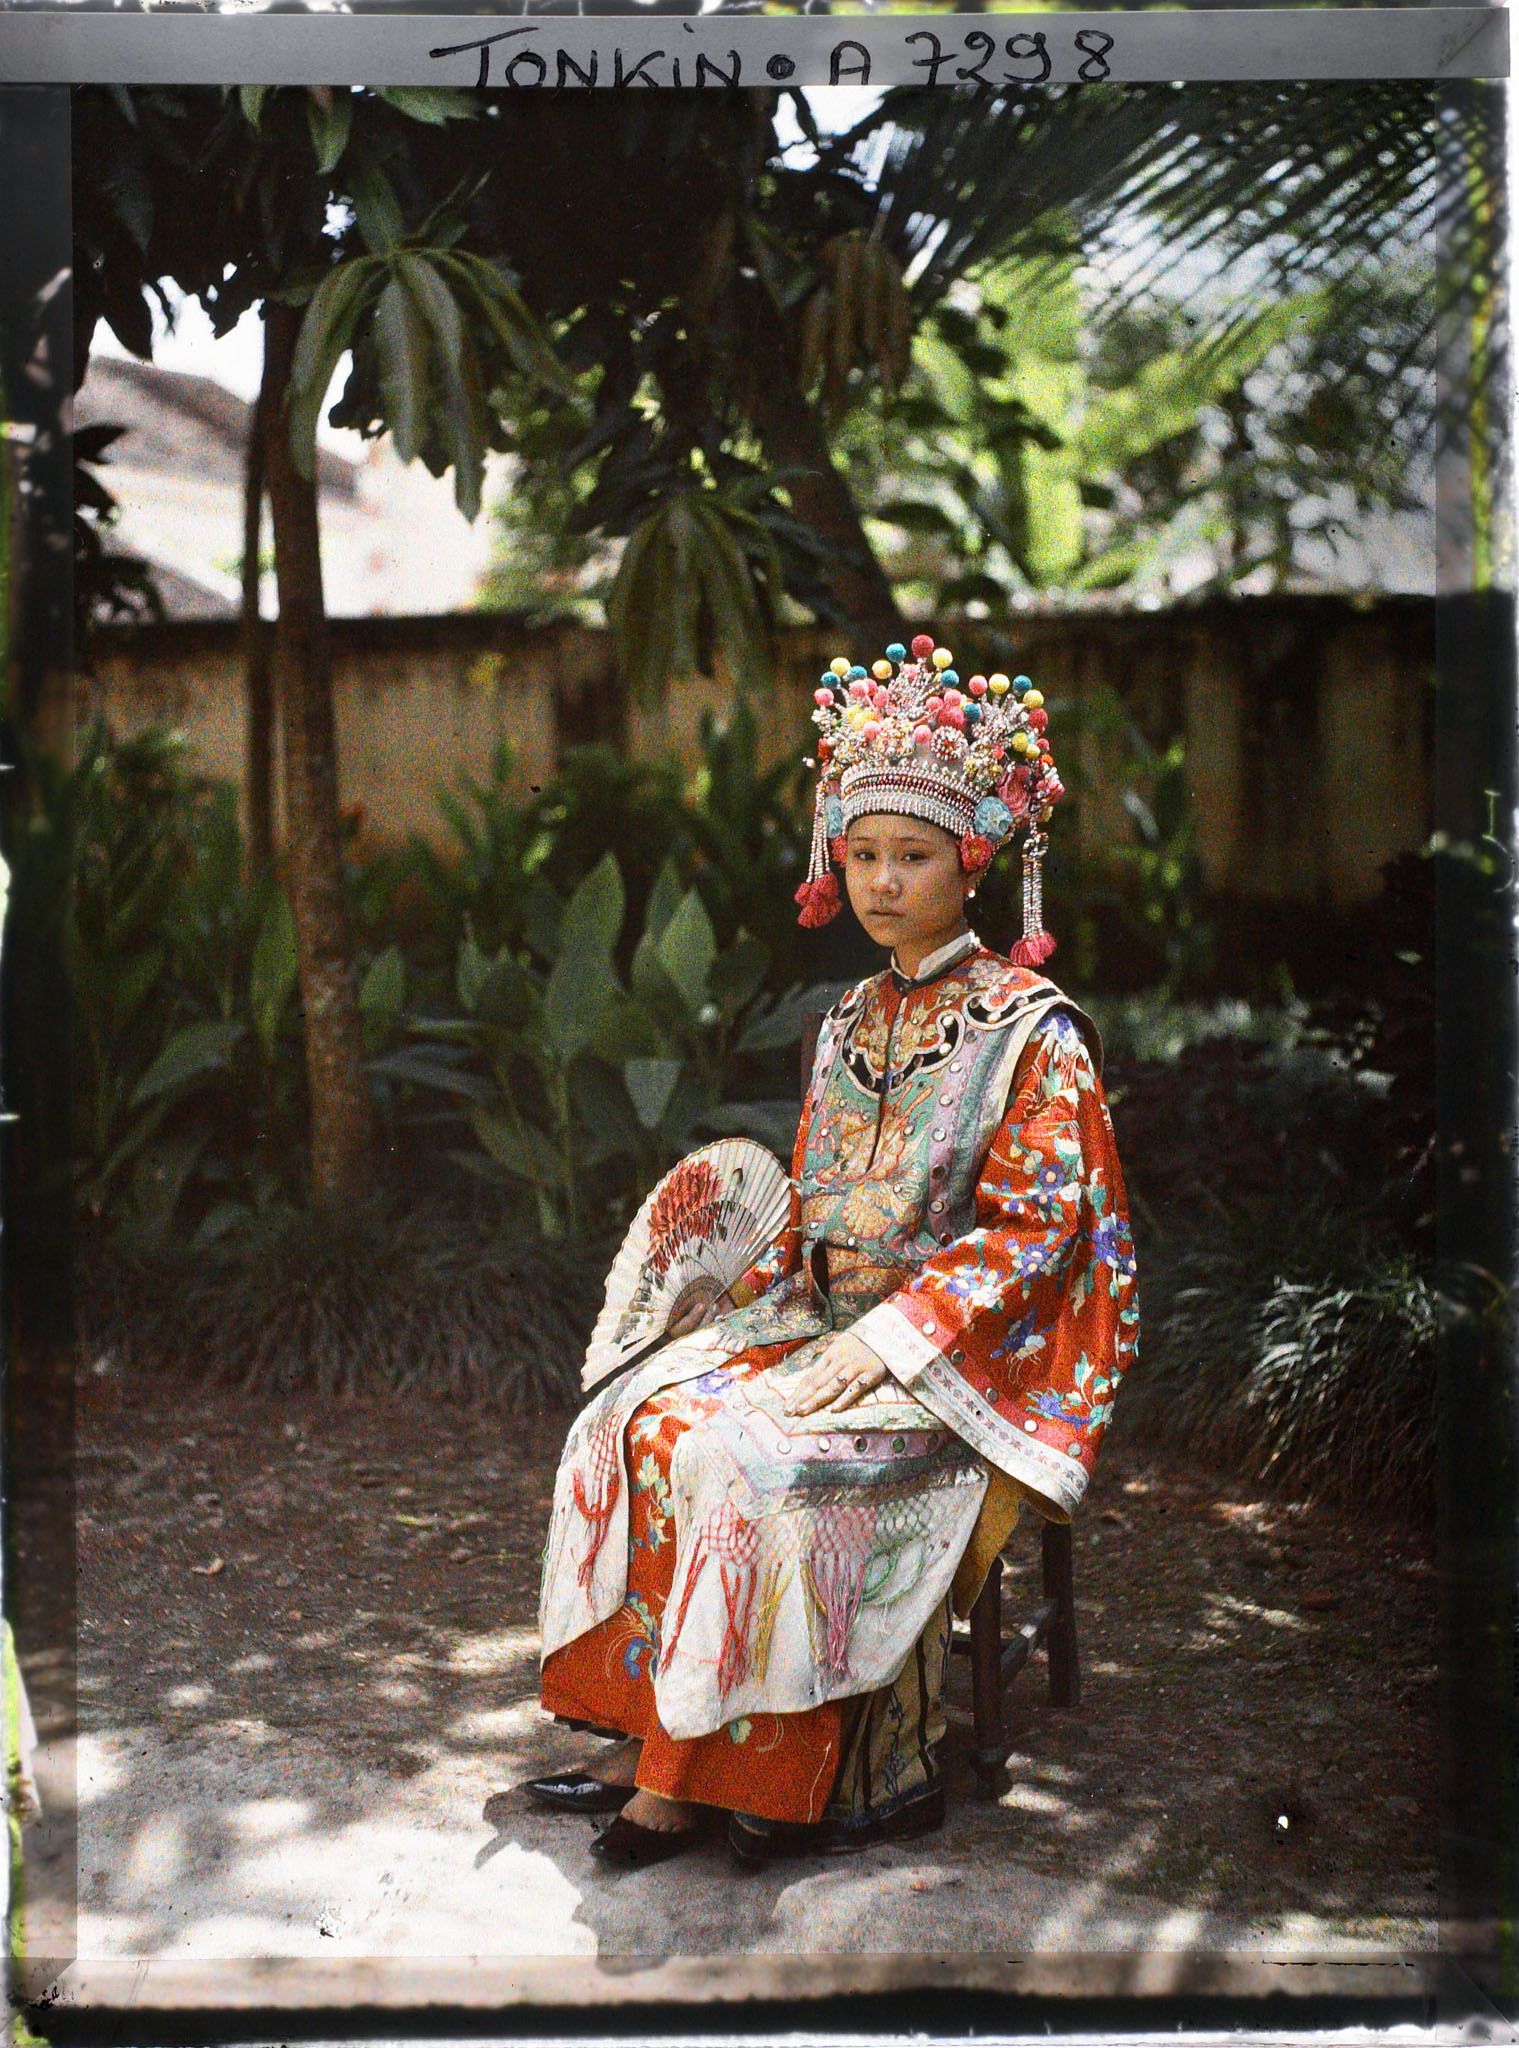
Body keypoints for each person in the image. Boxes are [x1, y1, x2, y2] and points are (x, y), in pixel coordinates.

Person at [527, 634, 1139, 1871]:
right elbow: (809, 1206)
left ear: (972, 861)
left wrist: (890, 1337)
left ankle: (839, 1773)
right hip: (827, 1320)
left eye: (911, 856)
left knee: (761, 1461)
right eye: (861, 855)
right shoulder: (845, 1018)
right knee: (639, 1422)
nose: (881, 881)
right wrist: (731, 1306)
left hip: (966, 1351)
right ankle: (660, 1739)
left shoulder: (1035, 1036)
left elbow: (1040, 1228)